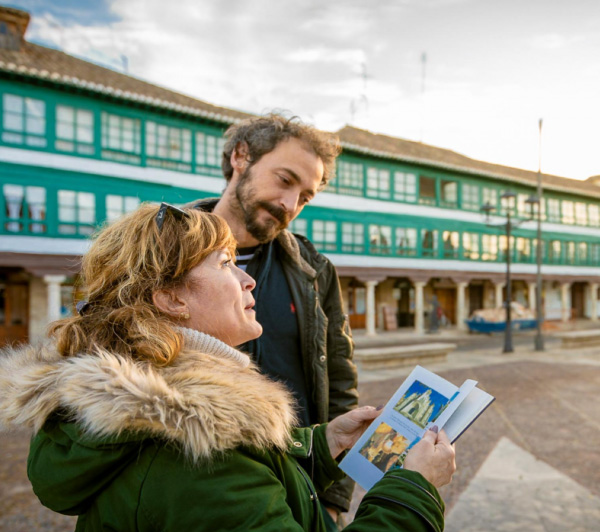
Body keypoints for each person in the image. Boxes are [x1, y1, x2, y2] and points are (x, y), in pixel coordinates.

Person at [0, 204, 456, 531]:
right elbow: (222, 481)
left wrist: (321, 444)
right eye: (225, 264)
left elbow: (245, 486)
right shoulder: (194, 447)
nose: (247, 278)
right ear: (171, 298)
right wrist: (415, 488)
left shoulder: (159, 413)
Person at [190, 114, 357, 523]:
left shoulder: (314, 270)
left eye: (304, 197)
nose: (290, 205)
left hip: (301, 487)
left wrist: (334, 496)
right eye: (285, 180)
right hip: (199, 491)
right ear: (241, 157)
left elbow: (340, 380)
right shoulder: (161, 251)